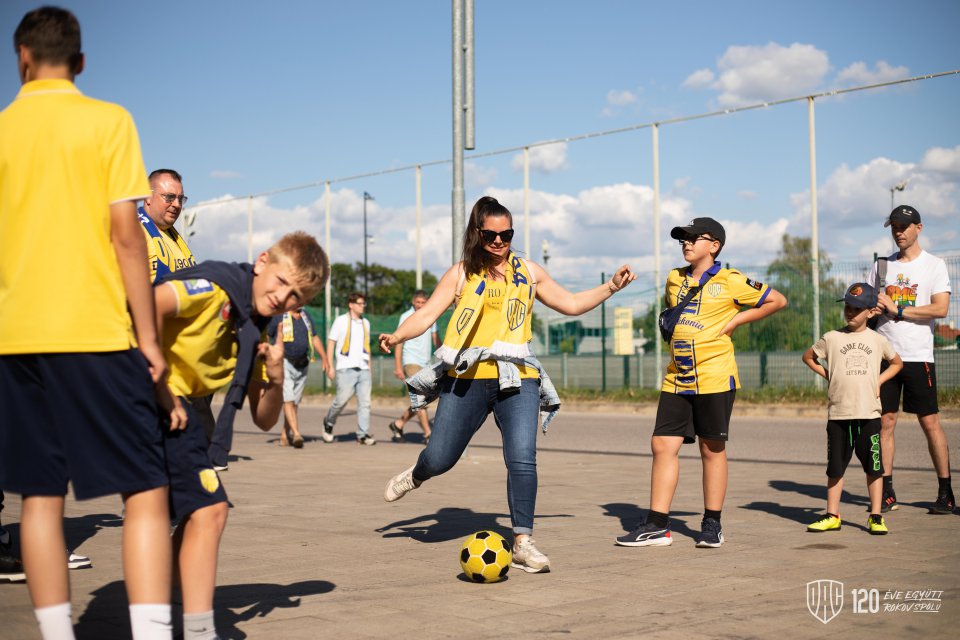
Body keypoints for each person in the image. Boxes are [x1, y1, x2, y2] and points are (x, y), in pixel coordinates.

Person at [0, 8, 176, 638]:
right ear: (80, 62)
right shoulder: (109, 121)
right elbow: (127, 236)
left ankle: (56, 634)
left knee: (39, 497)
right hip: (95, 332)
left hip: (16, 336)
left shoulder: (4, 130)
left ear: (22, 57)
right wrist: (148, 340)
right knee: (145, 488)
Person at [380, 195, 636, 574]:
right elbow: (427, 314)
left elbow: (570, 303)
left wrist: (610, 287)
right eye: (491, 235)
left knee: (522, 457)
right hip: (467, 377)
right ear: (477, 234)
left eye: (507, 234)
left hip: (518, 377)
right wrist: (398, 336)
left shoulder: (528, 272)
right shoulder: (461, 274)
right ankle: (417, 474)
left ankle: (522, 542)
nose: (499, 241)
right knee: (440, 458)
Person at [155, 232, 329, 639]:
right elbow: (143, 303)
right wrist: (160, 384)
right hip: (147, 396)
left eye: (296, 297)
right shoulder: (214, 290)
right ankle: (184, 623)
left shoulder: (256, 329)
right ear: (262, 261)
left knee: (202, 511)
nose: (283, 298)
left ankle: (164, 599)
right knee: (201, 509)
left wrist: (275, 376)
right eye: (281, 282)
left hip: (182, 408)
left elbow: (264, 419)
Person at [615, 217, 787, 550]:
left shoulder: (730, 280)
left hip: (715, 376)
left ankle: (712, 523)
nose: (687, 243)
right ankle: (657, 525)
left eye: (694, 238)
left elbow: (776, 300)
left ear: (714, 245)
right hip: (677, 377)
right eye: (683, 239)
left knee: (712, 448)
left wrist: (737, 319)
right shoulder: (674, 278)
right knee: (662, 445)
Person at [871, 205, 955, 514]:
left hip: (919, 357)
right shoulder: (881, 267)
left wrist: (900, 310)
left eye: (904, 226)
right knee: (885, 422)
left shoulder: (934, 265)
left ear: (918, 228)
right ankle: (886, 491)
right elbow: (867, 306)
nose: (898, 231)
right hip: (885, 356)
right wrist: (870, 309)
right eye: (894, 226)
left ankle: (945, 493)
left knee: (930, 422)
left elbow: (940, 309)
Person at [802, 283, 903, 535]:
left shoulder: (877, 340)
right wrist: (829, 374)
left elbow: (896, 363)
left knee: (874, 468)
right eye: (847, 306)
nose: (850, 312)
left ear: (870, 312)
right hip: (839, 415)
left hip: (868, 414)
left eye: (856, 308)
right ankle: (832, 515)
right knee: (835, 468)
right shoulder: (831, 337)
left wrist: (879, 380)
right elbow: (808, 357)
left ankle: (876, 516)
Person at [267, 307, 330, 448]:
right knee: (288, 400)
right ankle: (296, 434)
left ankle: (284, 435)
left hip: (302, 364)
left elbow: (314, 337)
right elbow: (267, 335)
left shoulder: (305, 315)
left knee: (294, 403)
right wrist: (268, 356)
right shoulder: (278, 316)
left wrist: (324, 358)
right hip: (285, 362)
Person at [323, 292, 377, 445]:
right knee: (341, 400)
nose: (362, 306)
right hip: (345, 367)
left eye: (363, 303)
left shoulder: (366, 323)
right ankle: (329, 421)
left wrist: (369, 368)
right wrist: (330, 366)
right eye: (359, 303)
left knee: (365, 403)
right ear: (351, 305)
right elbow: (331, 342)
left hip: (363, 368)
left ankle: (362, 434)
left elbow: (367, 347)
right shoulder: (340, 321)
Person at [388, 290, 439, 444]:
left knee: (424, 398)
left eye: (423, 302)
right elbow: (398, 342)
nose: (420, 305)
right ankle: (428, 434)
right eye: (418, 302)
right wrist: (398, 366)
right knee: (420, 397)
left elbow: (436, 340)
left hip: (425, 364)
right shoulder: (406, 316)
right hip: (410, 361)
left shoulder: (431, 315)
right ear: (413, 302)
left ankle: (398, 424)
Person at [139, 168, 196, 283]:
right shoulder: (135, 233)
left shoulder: (174, 237)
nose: (177, 204)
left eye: (180, 199)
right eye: (169, 197)